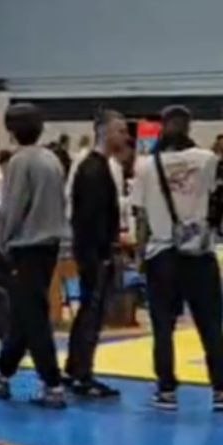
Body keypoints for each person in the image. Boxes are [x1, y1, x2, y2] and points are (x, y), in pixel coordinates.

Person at [0, 103, 70, 408]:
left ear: (11, 130)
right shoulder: (52, 158)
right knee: (25, 315)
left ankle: (52, 385)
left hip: (27, 247)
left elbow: (12, 209)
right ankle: (2, 375)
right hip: (50, 245)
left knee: (35, 318)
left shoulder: (19, 162)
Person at [132, 105, 223, 411]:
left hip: (162, 253)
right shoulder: (207, 161)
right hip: (199, 252)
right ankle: (220, 389)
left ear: (162, 126)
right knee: (211, 325)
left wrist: (140, 255)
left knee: (162, 326)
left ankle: (167, 389)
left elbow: (141, 215)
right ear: (189, 126)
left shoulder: (145, 166)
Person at [63, 110, 129, 399]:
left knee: (90, 311)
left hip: (93, 249)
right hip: (94, 252)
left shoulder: (102, 167)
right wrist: (102, 252)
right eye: (119, 130)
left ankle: (75, 368)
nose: (124, 136)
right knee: (93, 312)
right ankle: (83, 374)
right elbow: (87, 217)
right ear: (103, 132)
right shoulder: (92, 169)